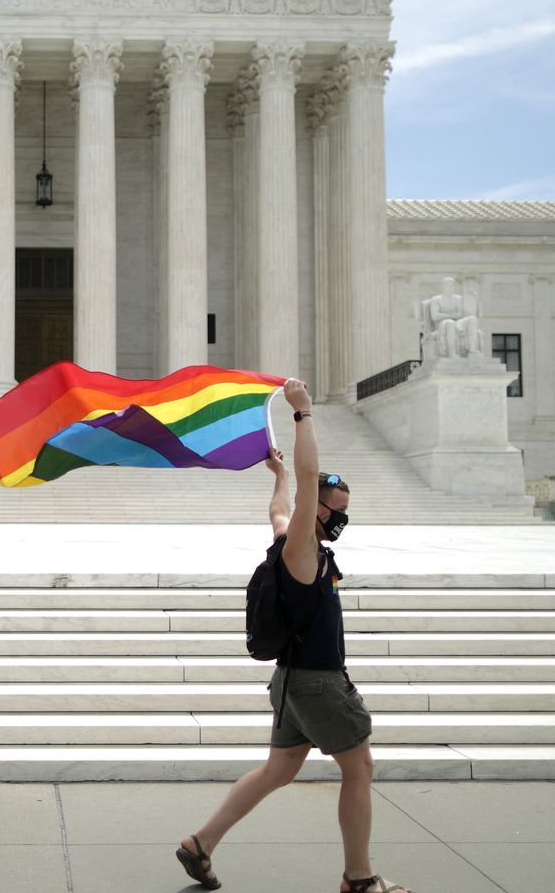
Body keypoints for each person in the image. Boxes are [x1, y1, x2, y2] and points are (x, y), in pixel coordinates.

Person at [175, 378, 413, 893]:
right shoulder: (302, 549)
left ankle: (201, 844)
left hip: (290, 683)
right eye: (337, 508)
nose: (343, 516)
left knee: (278, 770)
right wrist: (303, 413)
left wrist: (277, 474)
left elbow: (279, 510)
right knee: (360, 767)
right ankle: (359, 878)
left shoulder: (290, 542)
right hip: (319, 684)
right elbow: (306, 487)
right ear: (319, 510)